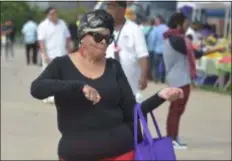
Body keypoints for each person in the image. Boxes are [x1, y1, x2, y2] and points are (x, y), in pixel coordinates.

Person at [30, 9, 184, 161]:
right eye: (98, 36)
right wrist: (78, 87)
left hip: (122, 153)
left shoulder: (113, 67)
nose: (104, 42)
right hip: (76, 154)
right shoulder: (61, 65)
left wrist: (160, 96)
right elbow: (37, 89)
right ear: (83, 36)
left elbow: (131, 112)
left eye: (108, 38)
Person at [163, 12, 206, 149]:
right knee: (177, 110)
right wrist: (212, 50)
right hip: (179, 79)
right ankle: (172, 139)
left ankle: (173, 137)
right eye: (186, 24)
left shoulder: (172, 37)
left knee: (175, 110)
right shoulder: (176, 39)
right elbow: (195, 54)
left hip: (176, 77)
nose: (188, 27)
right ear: (178, 24)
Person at [105, 1, 149, 102]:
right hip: (108, 82)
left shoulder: (134, 29)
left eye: (113, 7)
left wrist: (144, 75)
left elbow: (142, 55)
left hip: (130, 82)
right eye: (108, 7)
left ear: (123, 9)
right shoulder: (104, 29)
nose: (109, 10)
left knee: (129, 111)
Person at [37, 7, 72, 103]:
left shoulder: (62, 23)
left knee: (61, 76)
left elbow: (68, 38)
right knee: (47, 76)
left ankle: (58, 95)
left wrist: (69, 51)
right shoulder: (43, 25)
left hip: (61, 54)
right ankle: (46, 95)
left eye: (55, 13)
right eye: (52, 13)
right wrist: (45, 54)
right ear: (47, 15)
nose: (54, 15)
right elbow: (41, 42)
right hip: (49, 55)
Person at [149, 15, 168, 83]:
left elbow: (153, 39)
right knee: (164, 65)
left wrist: (151, 49)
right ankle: (163, 79)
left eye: (156, 21)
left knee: (156, 65)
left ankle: (156, 79)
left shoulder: (156, 29)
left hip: (157, 50)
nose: (155, 22)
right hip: (166, 50)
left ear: (159, 21)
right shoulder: (167, 28)